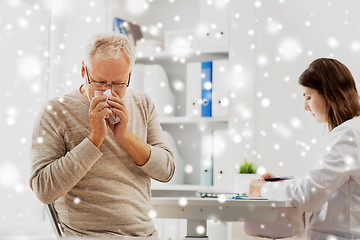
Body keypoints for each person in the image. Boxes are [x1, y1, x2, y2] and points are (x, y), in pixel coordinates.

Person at [30, 32, 175, 239]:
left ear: (130, 75)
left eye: (118, 83)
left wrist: (124, 135)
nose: (109, 92)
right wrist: (94, 138)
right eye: (99, 82)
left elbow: (167, 170)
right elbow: (44, 190)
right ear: (83, 71)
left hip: (145, 235)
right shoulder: (55, 112)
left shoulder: (142, 103)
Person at [249, 58, 360, 239]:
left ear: (330, 94)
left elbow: (310, 194)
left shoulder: (348, 134)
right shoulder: (353, 131)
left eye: (308, 97)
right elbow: (323, 184)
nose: (305, 106)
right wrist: (282, 185)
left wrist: (261, 190)